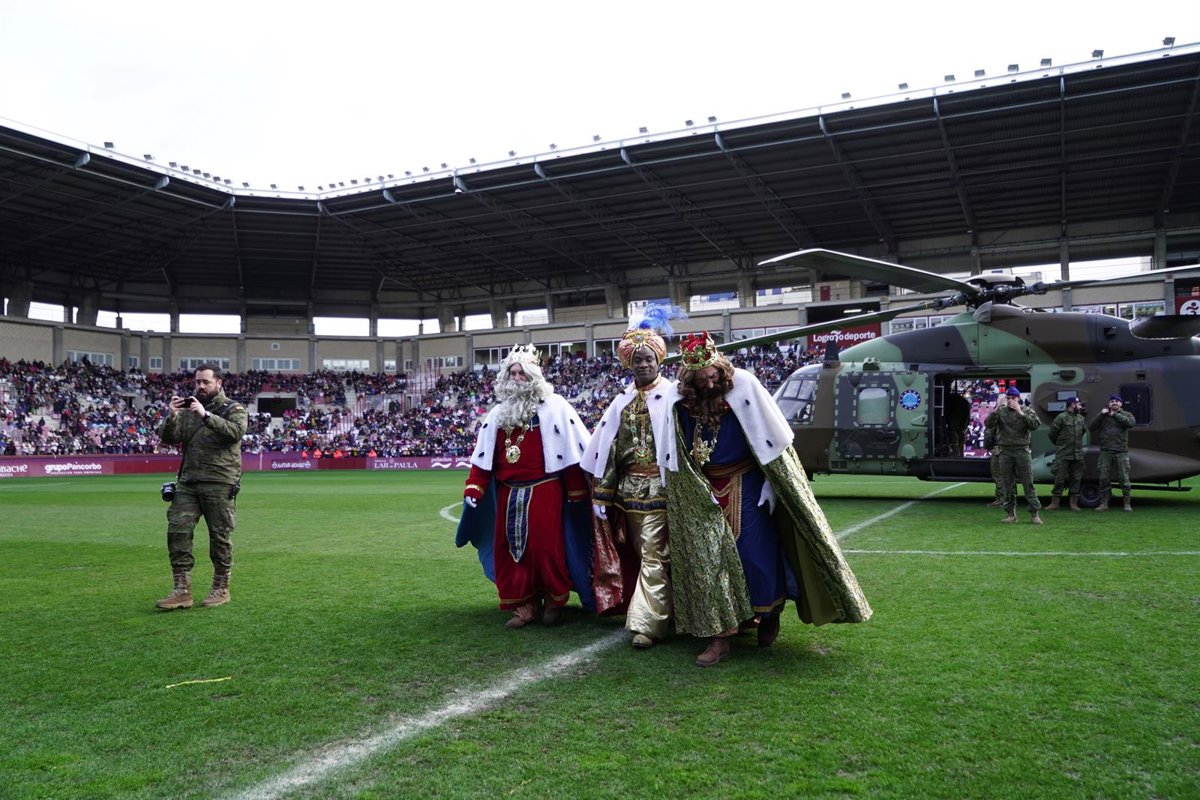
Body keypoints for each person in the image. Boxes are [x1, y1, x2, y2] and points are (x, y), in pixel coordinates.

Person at [654, 332, 872, 667]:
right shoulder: (677, 398)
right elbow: (673, 448)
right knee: (709, 561)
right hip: (701, 488)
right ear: (689, 379)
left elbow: (772, 440)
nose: (710, 383)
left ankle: (768, 615)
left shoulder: (745, 385)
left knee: (755, 555)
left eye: (713, 376)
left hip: (748, 482)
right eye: (702, 380)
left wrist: (772, 485)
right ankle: (720, 636)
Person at [456, 345, 593, 628]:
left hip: (545, 488)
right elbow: (484, 457)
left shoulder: (555, 407)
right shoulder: (498, 414)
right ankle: (525, 606)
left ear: (534, 377)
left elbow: (569, 449)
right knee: (512, 552)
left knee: (545, 549)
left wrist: (576, 489)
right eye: (512, 373)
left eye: (522, 373)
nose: (517, 378)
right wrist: (475, 486)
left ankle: (553, 600)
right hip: (508, 492)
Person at [582, 306, 681, 648]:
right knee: (646, 555)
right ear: (629, 364)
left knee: (654, 554)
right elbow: (609, 449)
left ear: (659, 360)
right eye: (637, 360)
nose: (643, 364)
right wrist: (602, 493)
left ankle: (648, 625)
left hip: (665, 489)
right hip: (630, 494)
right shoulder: (621, 401)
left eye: (648, 359)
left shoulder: (673, 395)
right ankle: (670, 612)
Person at [155, 364, 248, 610]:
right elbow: (168, 438)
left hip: (220, 481)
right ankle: (182, 590)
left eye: (206, 382)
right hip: (188, 481)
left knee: (220, 536)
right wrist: (172, 416)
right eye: (198, 382)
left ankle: (221, 587)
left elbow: (236, 432)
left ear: (219, 383)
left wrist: (205, 415)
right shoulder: (188, 410)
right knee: (177, 531)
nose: (201, 386)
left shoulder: (233, 408)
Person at [985, 386, 1042, 524]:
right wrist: (996, 409)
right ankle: (1011, 514)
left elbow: (1035, 425)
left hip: (1022, 451)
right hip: (1005, 452)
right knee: (1008, 485)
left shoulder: (1026, 410)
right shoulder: (1001, 412)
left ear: (1018, 398)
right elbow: (988, 424)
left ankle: (1034, 514)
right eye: (1008, 398)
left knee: (1028, 483)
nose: (1010, 401)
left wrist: (1020, 412)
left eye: (1013, 398)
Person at [1089, 394, 1136, 512]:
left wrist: (1114, 414)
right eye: (1112, 401)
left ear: (1121, 404)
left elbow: (1131, 423)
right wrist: (1101, 414)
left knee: (1124, 478)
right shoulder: (1103, 416)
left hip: (1121, 451)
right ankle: (1104, 503)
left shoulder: (1126, 414)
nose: (1114, 403)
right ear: (1109, 403)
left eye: (1116, 401)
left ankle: (1127, 503)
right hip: (1106, 451)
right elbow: (1091, 426)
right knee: (1104, 478)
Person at [1045, 396, 1087, 511]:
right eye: (1078, 404)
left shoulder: (1080, 418)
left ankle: (1073, 503)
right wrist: (1061, 445)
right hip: (1064, 454)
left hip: (1077, 454)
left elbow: (1082, 432)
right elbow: (1052, 434)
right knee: (1060, 479)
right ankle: (1055, 503)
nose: (1080, 406)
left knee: (1076, 478)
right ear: (1073, 404)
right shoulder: (1061, 417)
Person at [944, 390, 971, 457]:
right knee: (960, 432)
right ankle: (960, 453)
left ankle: (956, 453)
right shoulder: (962, 400)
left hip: (955, 416)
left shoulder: (950, 400)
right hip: (962, 416)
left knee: (953, 431)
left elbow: (952, 427)